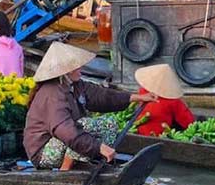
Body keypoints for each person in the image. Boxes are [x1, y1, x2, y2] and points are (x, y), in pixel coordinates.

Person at [23, 42, 156, 169]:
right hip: (43, 151)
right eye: (76, 66)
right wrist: (98, 147)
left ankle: (94, 163)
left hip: (65, 140)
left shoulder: (75, 85)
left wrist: (136, 97)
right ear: (66, 71)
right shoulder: (51, 93)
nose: (80, 68)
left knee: (110, 123)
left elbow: (102, 96)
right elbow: (65, 131)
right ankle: (67, 170)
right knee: (83, 125)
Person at [132, 64, 195, 136]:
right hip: (160, 135)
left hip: (138, 131)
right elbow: (188, 122)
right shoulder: (173, 101)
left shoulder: (142, 92)